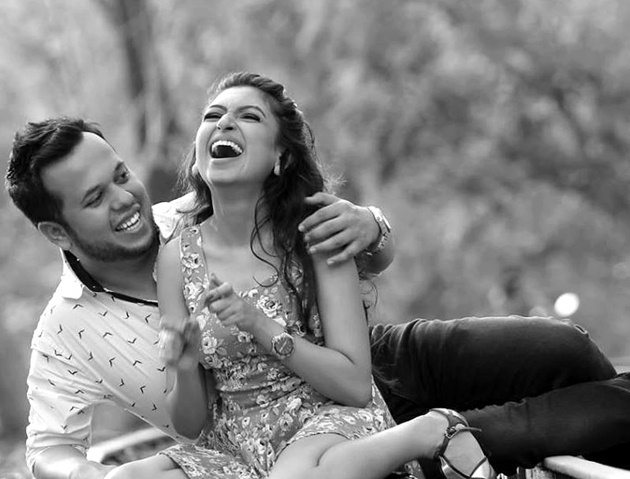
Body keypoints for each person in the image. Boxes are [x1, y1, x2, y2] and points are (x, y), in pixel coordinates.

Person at [5, 115, 630, 479]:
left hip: (368, 359)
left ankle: (471, 437)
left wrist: (371, 225)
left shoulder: (202, 209)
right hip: (284, 449)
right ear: (57, 231)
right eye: (95, 198)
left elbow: (365, 248)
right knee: (517, 428)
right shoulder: (64, 337)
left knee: (561, 349)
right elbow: (49, 450)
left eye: (120, 175)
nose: (125, 199)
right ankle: (458, 438)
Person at [108, 71, 491, 479]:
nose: (224, 123)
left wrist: (258, 324)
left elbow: (354, 385)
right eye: (213, 116)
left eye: (249, 117)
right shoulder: (175, 258)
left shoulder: (314, 235)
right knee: (124, 478)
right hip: (236, 448)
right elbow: (189, 425)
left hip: (327, 423)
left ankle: (432, 430)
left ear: (282, 157)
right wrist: (185, 366)